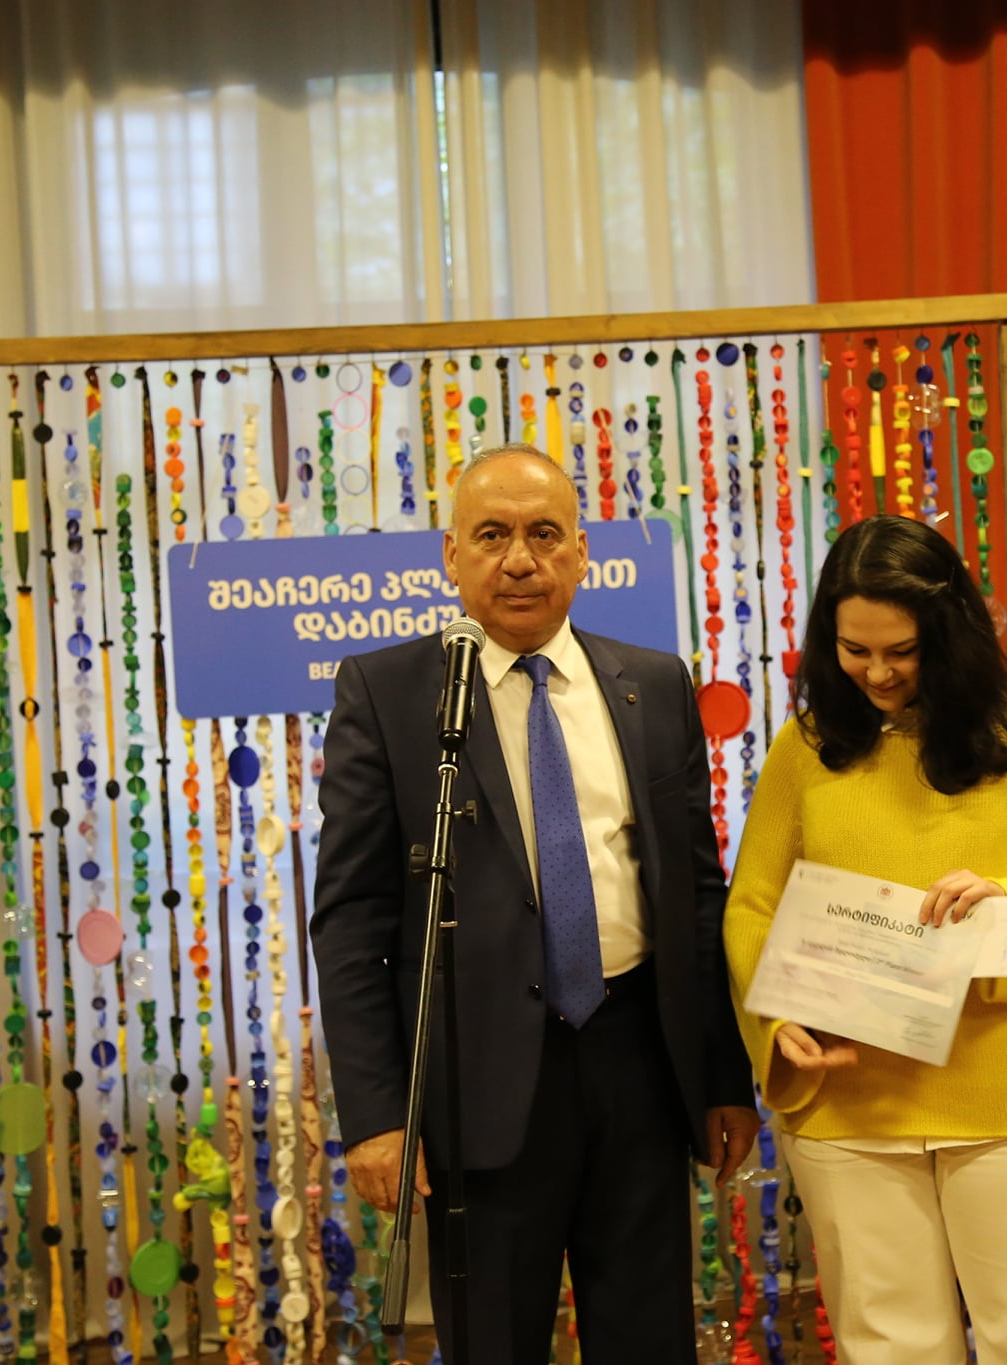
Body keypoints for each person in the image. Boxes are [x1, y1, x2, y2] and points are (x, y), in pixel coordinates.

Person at [312, 443, 758, 1365]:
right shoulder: (389, 695)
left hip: (639, 1065)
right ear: (452, 555)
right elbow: (352, 920)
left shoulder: (654, 684)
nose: (521, 559)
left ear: (582, 552)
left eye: (545, 533)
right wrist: (379, 1113)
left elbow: (695, 896)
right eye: (493, 535)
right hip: (476, 1086)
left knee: (650, 1343)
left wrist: (724, 1076)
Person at [724, 515, 1007, 1365]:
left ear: (948, 636)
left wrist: (1006, 904)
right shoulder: (804, 750)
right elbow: (751, 908)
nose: (877, 672)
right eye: (854, 649)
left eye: (902, 651)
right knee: (889, 1347)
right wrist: (777, 1019)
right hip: (852, 1102)